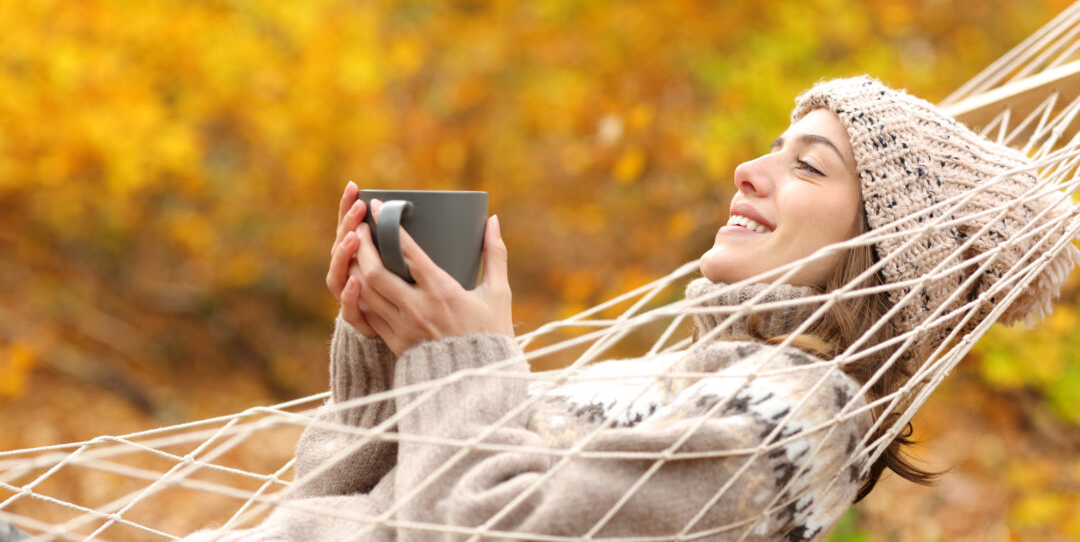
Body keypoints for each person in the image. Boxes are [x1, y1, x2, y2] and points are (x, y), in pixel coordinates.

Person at [185, 76, 1077, 541]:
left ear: (882, 253)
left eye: (808, 164)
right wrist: (385, 346)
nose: (748, 170)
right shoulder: (667, 378)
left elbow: (483, 534)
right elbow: (345, 508)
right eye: (772, 147)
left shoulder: (791, 421)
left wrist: (463, 355)